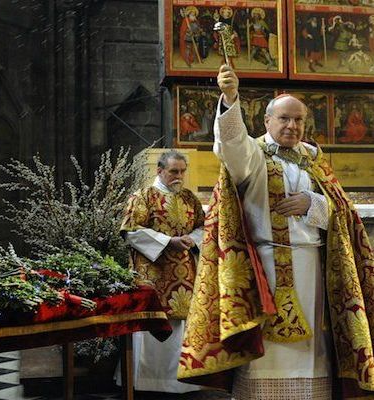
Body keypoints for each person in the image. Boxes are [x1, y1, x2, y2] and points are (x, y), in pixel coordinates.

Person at [178, 64, 374, 399]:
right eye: (284, 118)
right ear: (267, 120)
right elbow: (231, 143)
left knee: (315, 347)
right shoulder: (252, 156)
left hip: (314, 266)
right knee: (268, 353)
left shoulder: (314, 160)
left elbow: (343, 213)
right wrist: (230, 99)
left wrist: (312, 203)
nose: (292, 125)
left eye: (298, 120)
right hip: (265, 267)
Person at [119, 150, 205, 394]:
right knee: (154, 325)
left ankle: (181, 383)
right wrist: (168, 242)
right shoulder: (143, 196)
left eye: (182, 172)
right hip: (153, 275)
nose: (179, 177)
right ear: (159, 170)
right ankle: (149, 383)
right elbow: (132, 231)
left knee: (182, 329)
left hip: (185, 275)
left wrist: (192, 238)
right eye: (173, 172)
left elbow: (203, 225)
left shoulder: (189, 198)